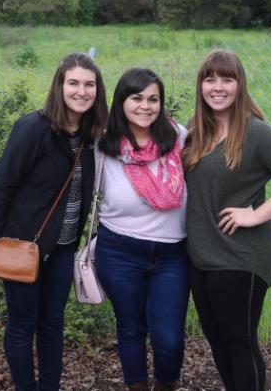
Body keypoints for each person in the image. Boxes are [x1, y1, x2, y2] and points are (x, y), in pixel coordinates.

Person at [182, 49, 271, 391]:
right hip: (201, 254)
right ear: (200, 85)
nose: (218, 87)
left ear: (240, 85)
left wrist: (255, 214)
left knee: (239, 343)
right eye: (210, 79)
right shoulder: (194, 131)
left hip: (242, 255)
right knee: (218, 341)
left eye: (227, 79)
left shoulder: (256, 134)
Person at [0, 53, 108, 391]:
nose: (82, 91)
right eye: (74, 83)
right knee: (22, 326)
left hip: (63, 249)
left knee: (52, 324)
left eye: (89, 84)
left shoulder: (92, 135)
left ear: (98, 89)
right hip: (24, 247)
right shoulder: (33, 128)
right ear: (60, 86)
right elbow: (1, 184)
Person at [94, 68, 189, 391]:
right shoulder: (102, 144)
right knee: (131, 329)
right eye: (137, 98)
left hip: (172, 255)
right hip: (119, 251)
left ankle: (166, 384)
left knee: (169, 337)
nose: (145, 106)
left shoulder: (178, 137)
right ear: (121, 101)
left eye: (153, 99)